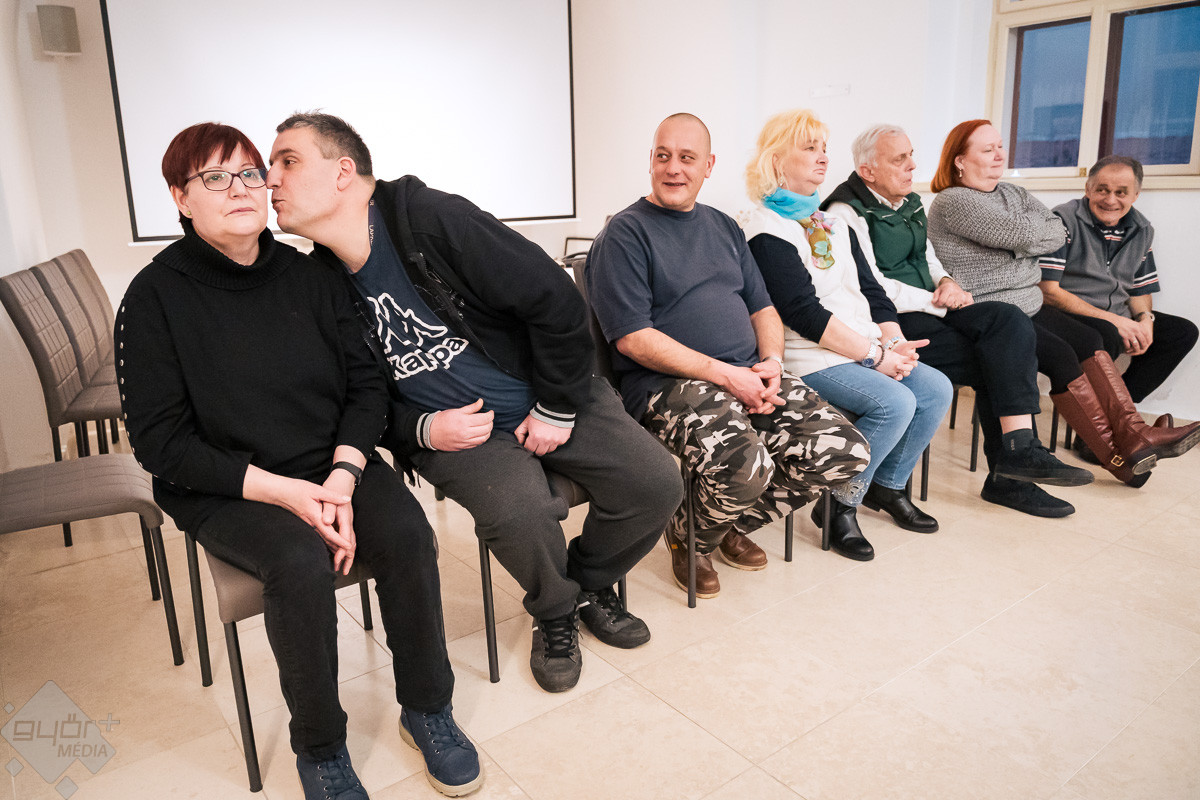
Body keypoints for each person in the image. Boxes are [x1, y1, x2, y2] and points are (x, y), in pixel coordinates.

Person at [116, 123, 481, 800]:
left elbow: (366, 385)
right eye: (214, 178)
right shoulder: (153, 298)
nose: (239, 189)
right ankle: (321, 748)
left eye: (249, 173)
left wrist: (342, 477)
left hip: (327, 462)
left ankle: (428, 707)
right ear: (180, 198)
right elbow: (160, 443)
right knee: (297, 563)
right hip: (227, 484)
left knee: (407, 534)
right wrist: (287, 494)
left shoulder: (310, 275)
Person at [266, 113, 682, 695]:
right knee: (517, 512)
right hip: (455, 432)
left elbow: (556, 300)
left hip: (546, 391)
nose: (270, 179)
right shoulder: (321, 282)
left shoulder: (432, 219)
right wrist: (422, 429)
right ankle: (556, 610)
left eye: (287, 162)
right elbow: (356, 397)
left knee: (656, 483)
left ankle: (587, 584)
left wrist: (557, 406)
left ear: (342, 172)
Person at [587, 113, 869, 587]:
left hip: (747, 373)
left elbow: (764, 309)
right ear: (651, 161)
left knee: (845, 452)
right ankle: (691, 537)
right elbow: (633, 338)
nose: (673, 168)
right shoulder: (625, 233)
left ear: (708, 165)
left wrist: (772, 363)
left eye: (687, 158)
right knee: (745, 465)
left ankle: (722, 523)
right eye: (663, 156)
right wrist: (726, 375)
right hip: (666, 386)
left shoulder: (723, 226)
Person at [821, 124, 1092, 517]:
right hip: (892, 321)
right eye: (899, 159)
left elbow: (927, 257)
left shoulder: (910, 202)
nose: (912, 165)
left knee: (1008, 320)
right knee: (998, 363)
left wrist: (947, 281)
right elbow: (869, 285)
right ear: (868, 171)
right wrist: (936, 301)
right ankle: (1010, 478)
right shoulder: (843, 213)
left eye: (911, 155)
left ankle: (1020, 450)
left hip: (933, 306)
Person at [926, 120, 1199, 488]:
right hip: (990, 309)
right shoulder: (954, 200)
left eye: (1000, 146)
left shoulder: (1012, 192)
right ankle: (1120, 456)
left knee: (1089, 340)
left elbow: (1054, 231)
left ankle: (1133, 435)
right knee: (1061, 356)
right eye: (987, 149)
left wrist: (1024, 242)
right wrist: (1025, 242)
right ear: (960, 160)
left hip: (1028, 302)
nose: (999, 154)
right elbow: (1022, 233)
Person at [741, 108, 953, 555]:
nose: (822, 157)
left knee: (936, 389)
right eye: (809, 148)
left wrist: (894, 342)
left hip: (859, 347)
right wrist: (876, 357)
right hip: (808, 356)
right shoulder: (763, 228)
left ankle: (886, 486)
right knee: (895, 403)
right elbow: (802, 313)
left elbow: (873, 292)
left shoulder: (833, 223)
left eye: (824, 148)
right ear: (776, 160)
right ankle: (840, 504)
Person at [1038, 155, 1199, 462]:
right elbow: (1049, 292)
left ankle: (1120, 426)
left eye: (1121, 192)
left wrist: (1145, 320)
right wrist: (1117, 321)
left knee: (1182, 332)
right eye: (1102, 189)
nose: (1110, 199)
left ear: (1135, 194)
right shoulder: (1061, 220)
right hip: (1066, 312)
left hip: (1114, 313)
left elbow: (1139, 289)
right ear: (1088, 188)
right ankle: (1107, 434)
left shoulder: (1142, 229)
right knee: (1107, 334)